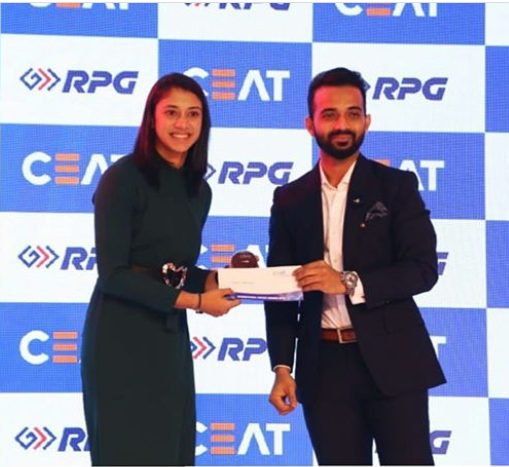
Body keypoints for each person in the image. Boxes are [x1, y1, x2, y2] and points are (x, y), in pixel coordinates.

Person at [264, 67, 446, 465]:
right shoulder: (290, 199)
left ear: (367, 121)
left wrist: (347, 281)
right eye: (330, 114)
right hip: (322, 367)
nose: (342, 124)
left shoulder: (397, 187)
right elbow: (281, 293)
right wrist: (281, 366)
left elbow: (422, 269)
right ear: (310, 124)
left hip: (394, 359)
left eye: (353, 113)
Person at [81, 72, 240, 466]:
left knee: (172, 451)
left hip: (167, 341)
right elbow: (114, 273)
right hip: (120, 338)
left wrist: (227, 278)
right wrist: (198, 302)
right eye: (171, 112)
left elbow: (175, 268)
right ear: (151, 117)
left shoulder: (199, 190)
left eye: (193, 114)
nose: (182, 124)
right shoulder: (122, 178)